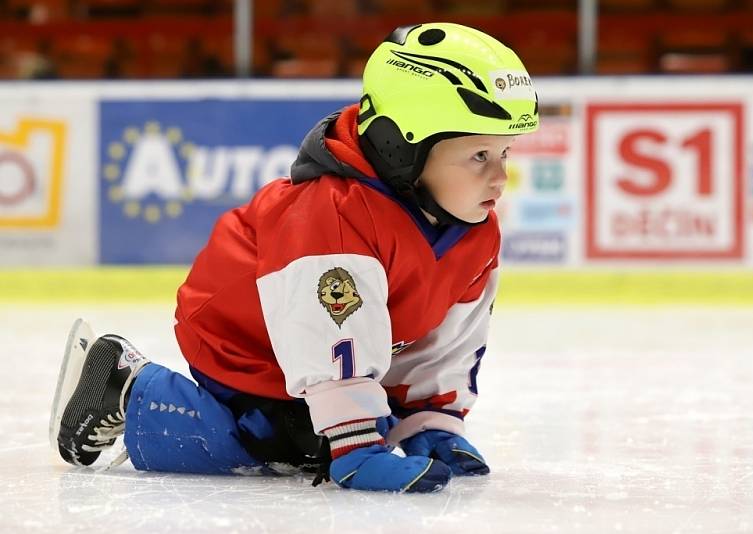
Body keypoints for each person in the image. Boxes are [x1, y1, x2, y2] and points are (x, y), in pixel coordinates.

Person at [49, 22, 539, 493]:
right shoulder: (333, 212)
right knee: (282, 442)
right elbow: (328, 331)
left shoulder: (475, 231)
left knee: (348, 425)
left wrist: (430, 421)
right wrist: (353, 443)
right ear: (402, 145)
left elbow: (452, 338)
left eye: (505, 154)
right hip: (243, 345)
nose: (500, 178)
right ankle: (132, 388)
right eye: (479, 157)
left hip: (311, 356)